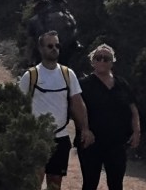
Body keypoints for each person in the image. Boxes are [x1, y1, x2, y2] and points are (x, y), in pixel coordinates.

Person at [19, 30, 95, 189]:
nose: (54, 49)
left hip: (60, 138)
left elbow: (77, 103)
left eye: (57, 45)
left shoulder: (68, 74)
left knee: (55, 183)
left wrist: (85, 129)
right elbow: (17, 105)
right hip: (36, 137)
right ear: (41, 48)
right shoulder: (30, 76)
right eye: (50, 46)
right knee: (33, 182)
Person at [76, 43, 141, 190]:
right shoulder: (83, 84)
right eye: (98, 58)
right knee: (90, 183)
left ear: (112, 62)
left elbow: (133, 109)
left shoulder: (122, 84)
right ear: (92, 61)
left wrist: (136, 132)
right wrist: (85, 130)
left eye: (106, 58)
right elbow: (76, 110)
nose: (102, 61)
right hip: (91, 143)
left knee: (116, 184)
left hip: (117, 143)